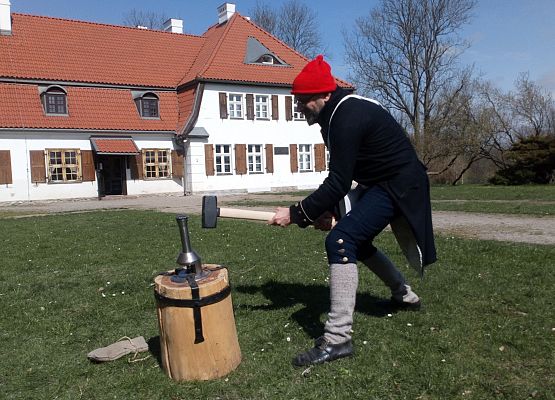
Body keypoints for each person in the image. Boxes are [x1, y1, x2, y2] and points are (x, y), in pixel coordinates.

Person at [269, 55, 437, 367]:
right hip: (380, 183)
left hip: (399, 185)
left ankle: (337, 339)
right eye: (297, 100)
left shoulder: (347, 116)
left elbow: (338, 181)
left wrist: (296, 214)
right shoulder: (332, 117)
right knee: (352, 238)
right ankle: (404, 295)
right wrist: (327, 211)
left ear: (324, 95)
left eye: (303, 100)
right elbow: (343, 175)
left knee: (341, 241)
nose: (299, 107)